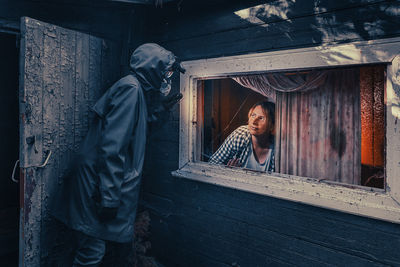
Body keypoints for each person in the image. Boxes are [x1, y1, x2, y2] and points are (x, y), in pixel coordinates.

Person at [51, 43, 184, 266]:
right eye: (165, 71)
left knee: (92, 246)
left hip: (95, 181)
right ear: (151, 68)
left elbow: (134, 132)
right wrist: (110, 198)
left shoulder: (135, 90)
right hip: (94, 182)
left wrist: (162, 111)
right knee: (92, 249)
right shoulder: (131, 89)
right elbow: (113, 146)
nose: (167, 78)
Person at [209, 101, 275, 172]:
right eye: (253, 115)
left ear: (271, 126)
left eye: (261, 118)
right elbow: (212, 164)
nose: (254, 122)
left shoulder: (278, 147)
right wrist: (228, 172)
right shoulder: (241, 135)